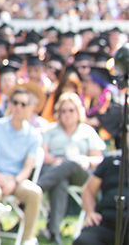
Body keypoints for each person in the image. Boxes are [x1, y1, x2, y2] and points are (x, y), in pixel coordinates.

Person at [37, 92, 105, 245]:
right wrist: (56, 160)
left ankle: (38, 187)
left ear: (78, 111)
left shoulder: (87, 131)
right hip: (56, 171)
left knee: (71, 163)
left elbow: (99, 159)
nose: (67, 114)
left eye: (71, 110)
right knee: (61, 182)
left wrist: (86, 160)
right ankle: (54, 233)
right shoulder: (51, 130)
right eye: (63, 111)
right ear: (58, 113)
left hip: (81, 173)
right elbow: (43, 154)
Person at [0, 86, 44, 245]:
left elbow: (28, 168)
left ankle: (27, 239)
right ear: (9, 105)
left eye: (23, 104)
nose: (18, 107)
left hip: (16, 180)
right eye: (15, 103)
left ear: (29, 107)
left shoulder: (33, 135)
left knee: (35, 192)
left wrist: (14, 182)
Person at [74, 136, 129, 245]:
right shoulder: (111, 160)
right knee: (84, 241)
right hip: (106, 223)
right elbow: (88, 190)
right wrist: (90, 212)